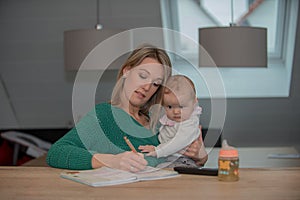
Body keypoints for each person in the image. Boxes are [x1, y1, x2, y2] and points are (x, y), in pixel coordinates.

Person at [46, 44, 207, 172]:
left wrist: (200, 156)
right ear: (126, 71)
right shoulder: (103, 117)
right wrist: (111, 161)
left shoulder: (160, 121)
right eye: (143, 76)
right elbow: (56, 153)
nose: (147, 86)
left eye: (156, 83)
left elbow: (183, 160)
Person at [139, 75, 208, 167]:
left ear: (194, 103)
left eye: (181, 106)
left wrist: (158, 150)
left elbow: (178, 141)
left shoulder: (189, 123)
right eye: (170, 107)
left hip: (183, 160)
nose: (176, 112)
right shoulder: (170, 118)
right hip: (171, 157)